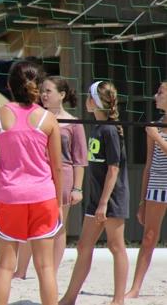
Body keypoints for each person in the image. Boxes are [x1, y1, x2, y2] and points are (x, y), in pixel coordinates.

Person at [0, 60, 63, 305]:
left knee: (5, 267)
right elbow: (57, 167)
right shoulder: (48, 119)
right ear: (37, 85)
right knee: (45, 267)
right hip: (43, 196)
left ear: (8, 85)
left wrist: (9, 166)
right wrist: (58, 201)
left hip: (9, 197)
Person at [59, 81, 129, 305]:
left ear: (95, 102)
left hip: (112, 199)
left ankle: (118, 300)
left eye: (88, 96)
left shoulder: (109, 129)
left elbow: (114, 169)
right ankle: (69, 298)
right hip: (96, 199)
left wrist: (103, 204)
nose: (85, 100)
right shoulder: (97, 127)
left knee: (115, 247)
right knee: (83, 246)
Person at [13, 76, 88, 279]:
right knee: (31, 224)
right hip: (38, 176)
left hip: (63, 176)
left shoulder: (74, 124)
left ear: (61, 95)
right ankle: (20, 271)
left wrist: (77, 189)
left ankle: (51, 273)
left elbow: (80, 159)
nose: (44, 94)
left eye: (48, 91)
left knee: (58, 226)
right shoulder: (35, 117)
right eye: (42, 91)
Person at [125, 81, 167, 298]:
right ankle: (135, 288)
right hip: (158, 185)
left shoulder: (155, 130)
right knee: (149, 237)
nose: (155, 95)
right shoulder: (155, 124)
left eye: (160, 92)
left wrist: (157, 136)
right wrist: (142, 201)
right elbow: (148, 165)